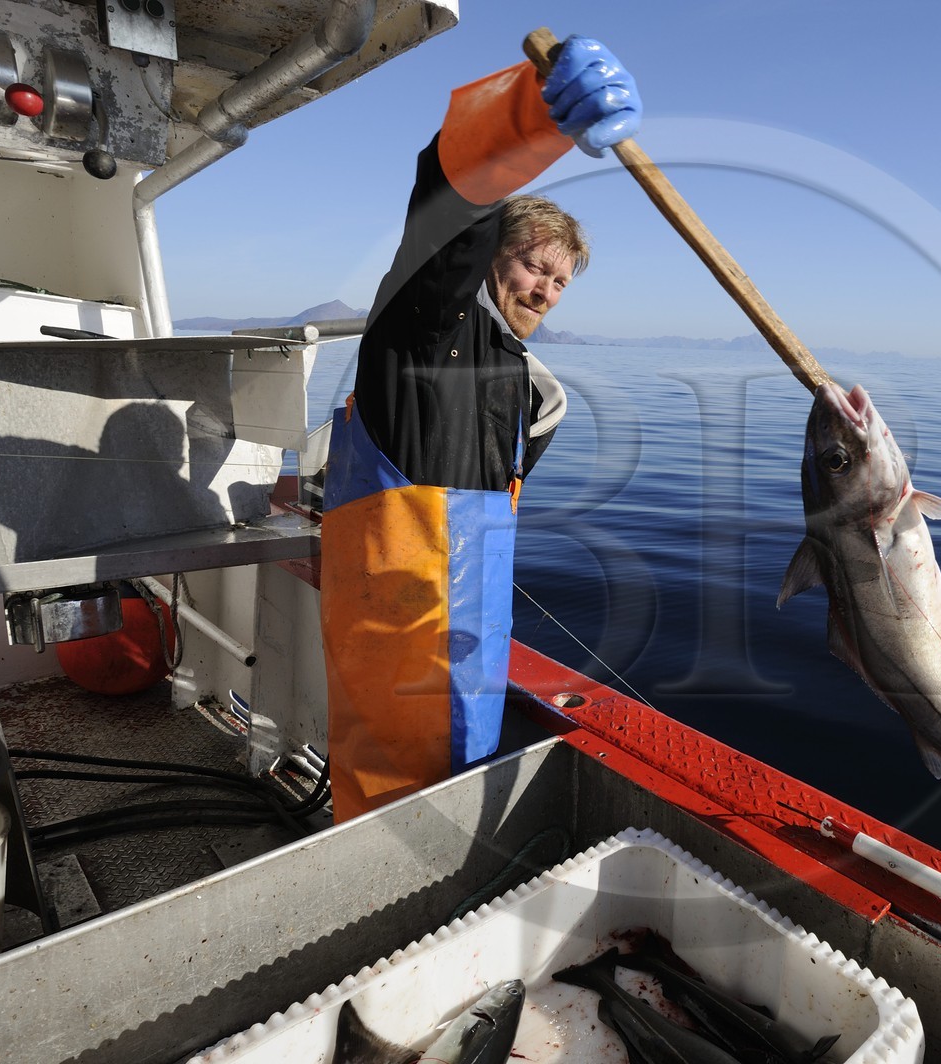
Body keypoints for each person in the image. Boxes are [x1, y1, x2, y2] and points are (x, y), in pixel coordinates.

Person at [319, 36, 642, 822]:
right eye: (535, 265)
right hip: (400, 635)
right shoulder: (428, 326)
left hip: (471, 630)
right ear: (492, 256)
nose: (547, 289)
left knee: (455, 799)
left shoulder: (521, 379)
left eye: (561, 281)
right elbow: (448, 206)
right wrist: (531, 117)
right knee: (390, 816)